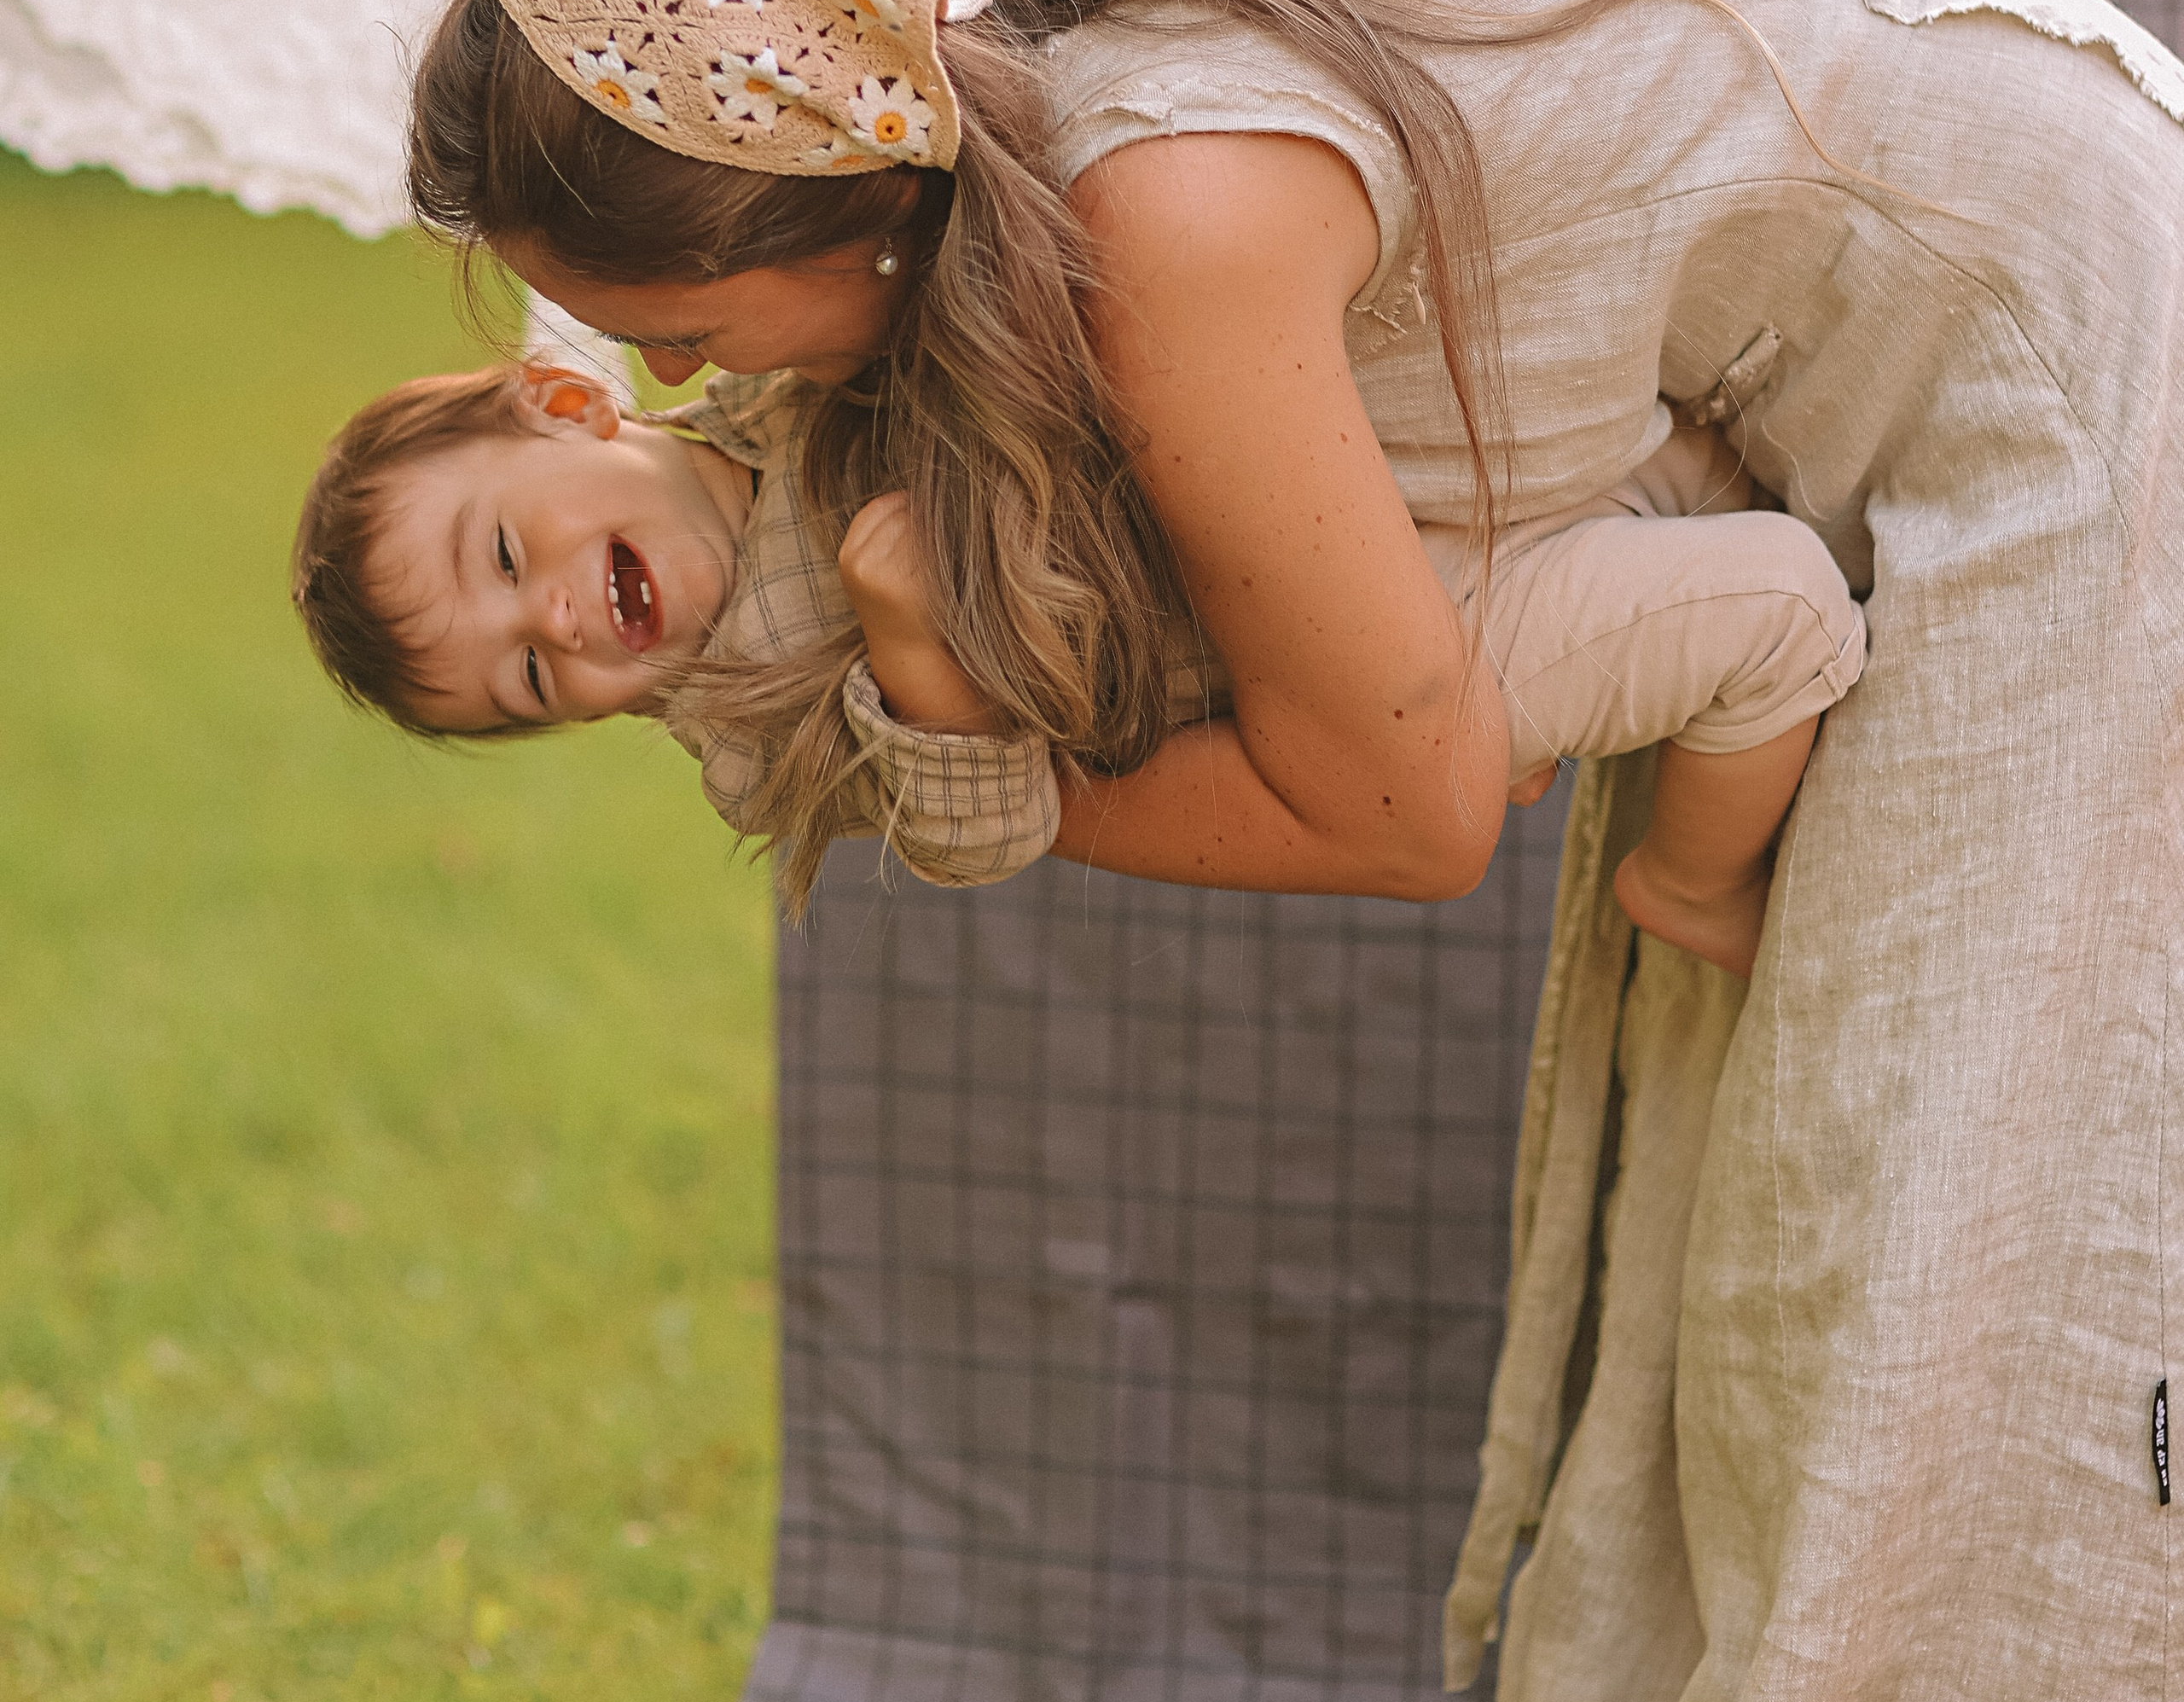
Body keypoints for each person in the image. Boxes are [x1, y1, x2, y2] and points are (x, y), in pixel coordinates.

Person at [396, 0, 2184, 1702]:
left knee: (1934, 1297)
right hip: (1891, 399)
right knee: (1769, 1258)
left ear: (828, 184)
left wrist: (970, 753)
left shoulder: (1162, 210)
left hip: (2080, 391)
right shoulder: (1018, 65)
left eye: (686, 330)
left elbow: (1411, 797)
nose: (689, 388)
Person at [290, 353, 1864, 973]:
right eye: (526, 683)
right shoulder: (755, 733)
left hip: (1352, 489)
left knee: (1701, 469)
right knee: (1779, 609)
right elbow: (984, 836)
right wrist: (913, 648)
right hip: (1349, 656)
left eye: (506, 559)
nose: (555, 625)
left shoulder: (780, 375)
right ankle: (1693, 884)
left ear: (567, 406)